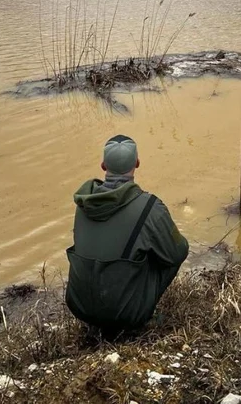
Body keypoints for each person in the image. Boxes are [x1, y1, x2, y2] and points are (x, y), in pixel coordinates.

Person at [65, 134, 189, 333]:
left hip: (79, 306)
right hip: (125, 315)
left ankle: (97, 320)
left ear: (103, 166)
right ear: (137, 163)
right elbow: (178, 252)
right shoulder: (150, 207)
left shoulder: (83, 204)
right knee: (168, 251)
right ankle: (140, 317)